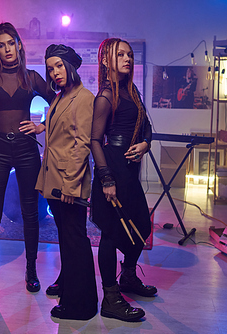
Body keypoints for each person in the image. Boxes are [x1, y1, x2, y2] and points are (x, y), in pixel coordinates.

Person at [0, 22, 55, 303]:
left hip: (25, 149)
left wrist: (41, 125)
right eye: (1, 44)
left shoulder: (31, 77)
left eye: (11, 43)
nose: (7, 49)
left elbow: (56, 101)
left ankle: (31, 271)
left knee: (30, 213)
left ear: (19, 45)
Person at [90, 38, 157, 321]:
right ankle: (111, 297)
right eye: (121, 54)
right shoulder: (105, 96)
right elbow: (94, 141)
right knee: (111, 232)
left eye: (129, 54)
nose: (127, 58)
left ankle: (128, 275)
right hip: (112, 169)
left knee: (141, 224)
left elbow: (147, 127)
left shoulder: (132, 91)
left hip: (130, 171)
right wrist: (106, 178)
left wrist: (146, 144)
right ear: (106, 61)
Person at [36, 44, 98, 320]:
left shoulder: (83, 98)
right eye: (50, 68)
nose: (55, 72)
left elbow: (81, 144)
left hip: (69, 184)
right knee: (67, 242)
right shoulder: (60, 97)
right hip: (54, 181)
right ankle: (72, 298)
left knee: (76, 243)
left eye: (59, 66)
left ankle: (82, 306)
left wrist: (72, 186)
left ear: (71, 66)